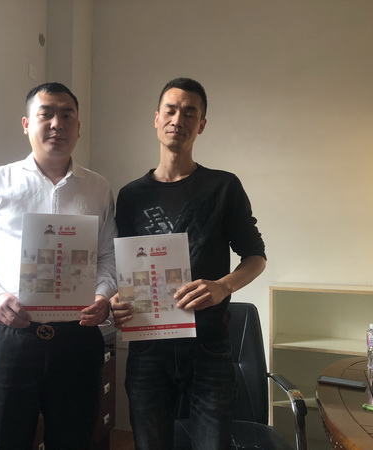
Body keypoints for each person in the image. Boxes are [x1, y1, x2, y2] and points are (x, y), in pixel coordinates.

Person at [0, 82, 117, 450]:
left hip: (78, 339)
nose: (57, 123)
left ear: (78, 127)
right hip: (10, 338)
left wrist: (103, 295)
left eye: (67, 115)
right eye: (46, 114)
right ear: (27, 124)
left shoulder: (98, 188)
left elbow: (108, 256)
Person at [111, 77, 267, 450]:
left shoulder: (223, 187)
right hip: (148, 348)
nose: (178, 119)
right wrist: (118, 301)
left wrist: (223, 286)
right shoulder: (131, 196)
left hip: (209, 347)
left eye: (189, 112)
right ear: (156, 118)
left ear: (201, 125)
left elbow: (256, 256)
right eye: (170, 110)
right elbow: (124, 268)